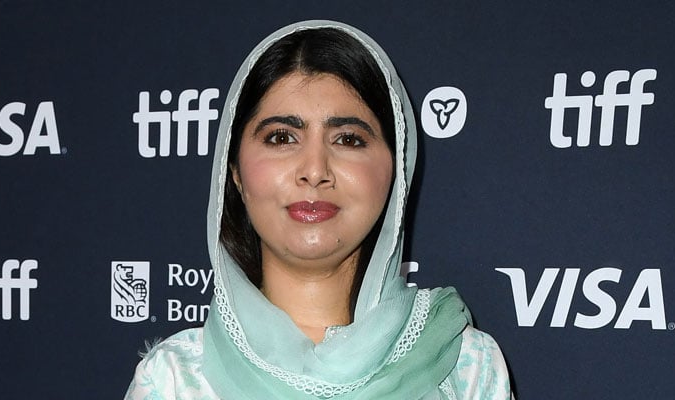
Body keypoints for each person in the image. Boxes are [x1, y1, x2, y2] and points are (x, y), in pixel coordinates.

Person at [125, 20, 514, 399]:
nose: (314, 170)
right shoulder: (175, 379)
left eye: (348, 139)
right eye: (281, 137)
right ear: (236, 174)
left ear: (396, 172)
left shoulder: (465, 367)